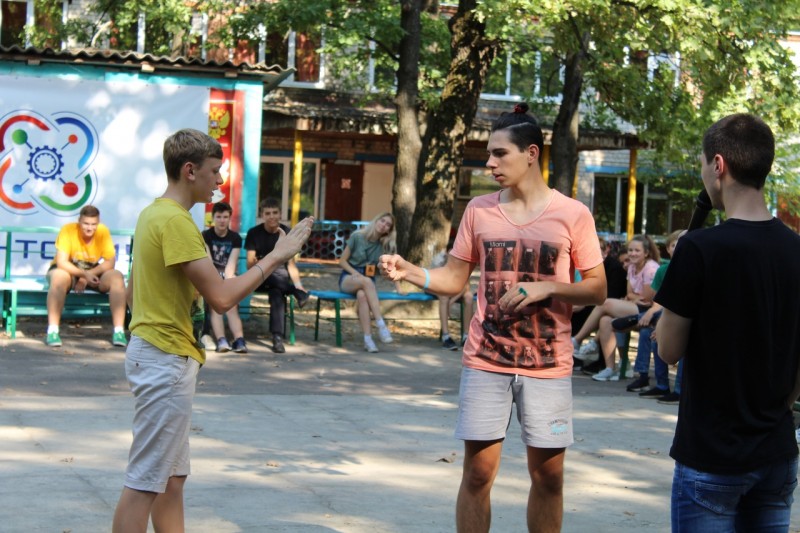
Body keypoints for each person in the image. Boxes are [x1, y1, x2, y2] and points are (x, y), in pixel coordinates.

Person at [379, 103, 606, 532]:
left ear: (532, 154)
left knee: (549, 477)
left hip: (547, 365)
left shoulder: (573, 214)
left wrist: (547, 288)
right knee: (478, 475)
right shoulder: (479, 211)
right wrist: (411, 271)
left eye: (500, 153)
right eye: (489, 154)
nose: (490, 163)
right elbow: (453, 278)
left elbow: (597, 289)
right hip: (486, 361)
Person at [111, 129, 312, 533]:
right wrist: (276, 257)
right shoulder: (175, 221)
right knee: (146, 482)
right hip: (165, 359)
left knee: (171, 479)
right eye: (215, 171)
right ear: (190, 171)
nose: (219, 181)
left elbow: (136, 293)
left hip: (161, 353)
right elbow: (221, 298)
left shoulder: (154, 213)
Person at [656, 113, 800, 531]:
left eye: (703, 164)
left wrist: (677, 278)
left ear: (718, 165)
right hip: (776, 452)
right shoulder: (796, 249)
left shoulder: (699, 248)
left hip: (711, 456)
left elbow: (667, 350)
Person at [571, 234, 660, 381]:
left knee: (605, 303)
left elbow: (647, 299)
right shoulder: (632, 267)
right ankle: (609, 368)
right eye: (630, 250)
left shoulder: (650, 268)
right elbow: (630, 294)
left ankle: (577, 340)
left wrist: (633, 298)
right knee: (605, 320)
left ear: (646, 253)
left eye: (637, 250)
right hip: (635, 307)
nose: (632, 253)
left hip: (650, 312)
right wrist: (633, 298)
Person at [45, 204, 127, 347]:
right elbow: (62, 262)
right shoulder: (68, 230)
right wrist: (83, 274)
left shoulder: (103, 231)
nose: (90, 228)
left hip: (92, 270)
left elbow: (110, 262)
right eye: (86, 224)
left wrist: (86, 277)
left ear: (98, 223)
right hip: (69, 269)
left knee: (117, 277)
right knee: (58, 277)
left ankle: (119, 331)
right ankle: (52, 331)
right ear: (79, 221)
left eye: (93, 224)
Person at [244, 198, 310, 354]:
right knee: (272, 278)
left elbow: (291, 265)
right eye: (267, 213)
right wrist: (261, 263)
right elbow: (249, 264)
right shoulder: (254, 233)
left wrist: (299, 284)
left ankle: (277, 338)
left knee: (277, 293)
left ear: (280, 214)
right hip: (259, 276)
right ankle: (294, 292)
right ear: (262, 215)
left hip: (279, 278)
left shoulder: (287, 232)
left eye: (275, 212)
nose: (271, 216)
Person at [626, 229, 685, 396]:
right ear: (668, 249)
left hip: (684, 317)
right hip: (665, 312)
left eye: (681, 245)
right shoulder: (663, 270)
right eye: (673, 245)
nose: (677, 248)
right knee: (649, 334)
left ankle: (679, 390)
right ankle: (661, 385)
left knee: (679, 340)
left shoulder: (692, 268)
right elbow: (656, 300)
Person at [339, 212, 404, 353]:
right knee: (367, 281)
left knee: (362, 296)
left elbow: (391, 268)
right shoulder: (357, 236)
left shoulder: (383, 245)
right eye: (382, 221)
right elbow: (342, 261)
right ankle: (381, 324)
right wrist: (354, 272)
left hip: (367, 281)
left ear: (389, 230)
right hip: (350, 277)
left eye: (388, 225)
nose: (384, 225)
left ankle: (368, 340)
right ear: (376, 220)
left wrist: (398, 287)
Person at [201, 202, 246, 353]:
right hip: (211, 275)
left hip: (228, 276)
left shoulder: (235, 238)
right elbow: (208, 262)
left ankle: (239, 340)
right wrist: (217, 284)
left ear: (229, 218)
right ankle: (222, 340)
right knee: (216, 304)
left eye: (225, 217)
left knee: (231, 305)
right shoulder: (205, 235)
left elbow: (231, 265)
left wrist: (226, 283)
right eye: (218, 217)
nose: (222, 220)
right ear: (213, 218)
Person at [431, 248, 474, 350]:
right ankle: (446, 337)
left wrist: (451, 302)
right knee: (443, 297)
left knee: (469, 297)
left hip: (453, 290)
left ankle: (466, 336)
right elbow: (436, 284)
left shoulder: (462, 262)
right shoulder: (439, 262)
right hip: (435, 286)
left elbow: (466, 286)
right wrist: (449, 300)